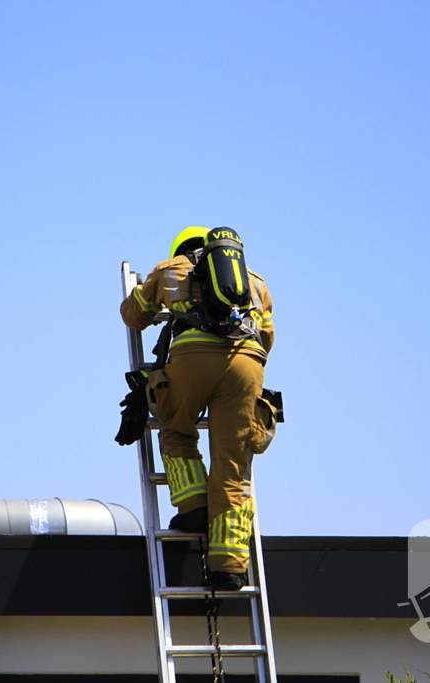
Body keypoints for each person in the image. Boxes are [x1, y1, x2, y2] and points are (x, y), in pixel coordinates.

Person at [120, 226, 275, 590]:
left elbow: (135, 317)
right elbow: (267, 337)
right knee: (233, 465)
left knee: (175, 427)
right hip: (247, 364)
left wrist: (138, 297)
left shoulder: (169, 268)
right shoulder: (255, 281)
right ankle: (230, 567)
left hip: (191, 358)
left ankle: (193, 509)